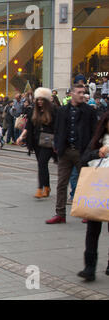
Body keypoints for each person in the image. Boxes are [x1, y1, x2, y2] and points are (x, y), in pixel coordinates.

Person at [46, 84, 98, 224]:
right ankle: (60, 214)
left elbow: (95, 132)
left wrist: (91, 150)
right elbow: (57, 129)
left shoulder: (89, 111)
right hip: (65, 151)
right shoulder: (62, 110)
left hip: (82, 152)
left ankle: (87, 212)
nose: (82, 95)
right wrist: (56, 144)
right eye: (79, 92)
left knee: (85, 183)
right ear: (72, 94)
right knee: (62, 183)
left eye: (84, 92)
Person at [77, 111, 109, 281]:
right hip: (98, 190)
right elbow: (83, 160)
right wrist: (98, 153)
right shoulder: (97, 141)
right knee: (92, 229)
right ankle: (89, 267)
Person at [16, 88, 56, 199]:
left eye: (42, 100)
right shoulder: (34, 111)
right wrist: (21, 137)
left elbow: (57, 127)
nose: (39, 102)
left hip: (48, 140)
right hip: (36, 140)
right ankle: (46, 187)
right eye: (38, 99)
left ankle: (40, 188)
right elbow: (29, 126)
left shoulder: (53, 111)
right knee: (42, 165)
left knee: (42, 163)